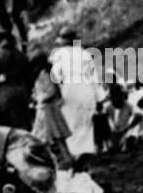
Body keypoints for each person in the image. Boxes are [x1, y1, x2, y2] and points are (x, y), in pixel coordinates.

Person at [50, 27, 101, 159]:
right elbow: (94, 77)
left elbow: (56, 76)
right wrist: (98, 96)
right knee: (86, 121)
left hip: (70, 89)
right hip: (86, 89)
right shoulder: (85, 53)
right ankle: (87, 150)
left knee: (71, 122)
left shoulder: (58, 55)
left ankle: (75, 152)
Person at [29, 50, 73, 167]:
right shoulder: (44, 74)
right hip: (47, 108)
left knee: (49, 136)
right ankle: (63, 157)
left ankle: (60, 158)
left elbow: (50, 91)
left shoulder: (44, 74)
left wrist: (39, 99)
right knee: (54, 136)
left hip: (47, 109)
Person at [0, 31, 32, 130]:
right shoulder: (20, 54)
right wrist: (29, 93)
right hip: (21, 90)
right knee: (24, 121)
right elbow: (28, 76)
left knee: (10, 124)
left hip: (6, 93)